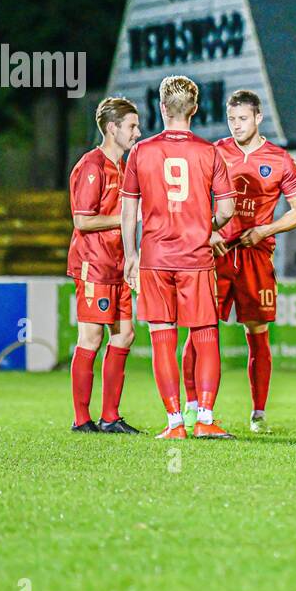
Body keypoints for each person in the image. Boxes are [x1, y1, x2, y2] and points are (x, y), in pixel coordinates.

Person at [181, 90, 296, 432]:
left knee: (258, 332)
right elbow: (191, 199)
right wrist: (208, 232)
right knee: (200, 329)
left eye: (242, 119)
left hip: (256, 255)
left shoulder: (280, 159)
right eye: (231, 119)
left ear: (258, 118)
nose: (236, 125)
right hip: (217, 255)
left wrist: (266, 228)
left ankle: (258, 413)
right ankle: (193, 408)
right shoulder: (215, 152)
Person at [120, 76, 237, 440]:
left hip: (156, 257)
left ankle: (174, 423)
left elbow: (128, 211)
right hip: (196, 257)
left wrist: (130, 255)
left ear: (160, 107)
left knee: (162, 338)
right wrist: (209, 225)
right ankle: (204, 417)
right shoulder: (209, 152)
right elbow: (229, 207)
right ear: (195, 109)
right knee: (205, 336)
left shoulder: (141, 152)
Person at [66, 97, 141, 434]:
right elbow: (82, 220)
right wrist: (125, 217)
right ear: (113, 129)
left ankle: (110, 417)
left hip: (119, 264)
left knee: (125, 335)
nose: (137, 132)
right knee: (92, 338)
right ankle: (82, 419)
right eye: (132, 126)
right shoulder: (92, 166)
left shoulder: (125, 167)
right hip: (94, 264)